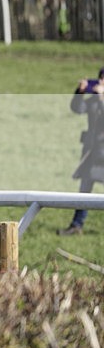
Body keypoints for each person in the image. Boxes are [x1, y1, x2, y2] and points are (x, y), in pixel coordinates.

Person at [58, 68, 104, 235]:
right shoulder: (92, 101)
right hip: (93, 152)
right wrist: (80, 92)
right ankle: (77, 225)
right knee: (85, 188)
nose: (101, 83)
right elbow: (77, 108)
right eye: (100, 79)